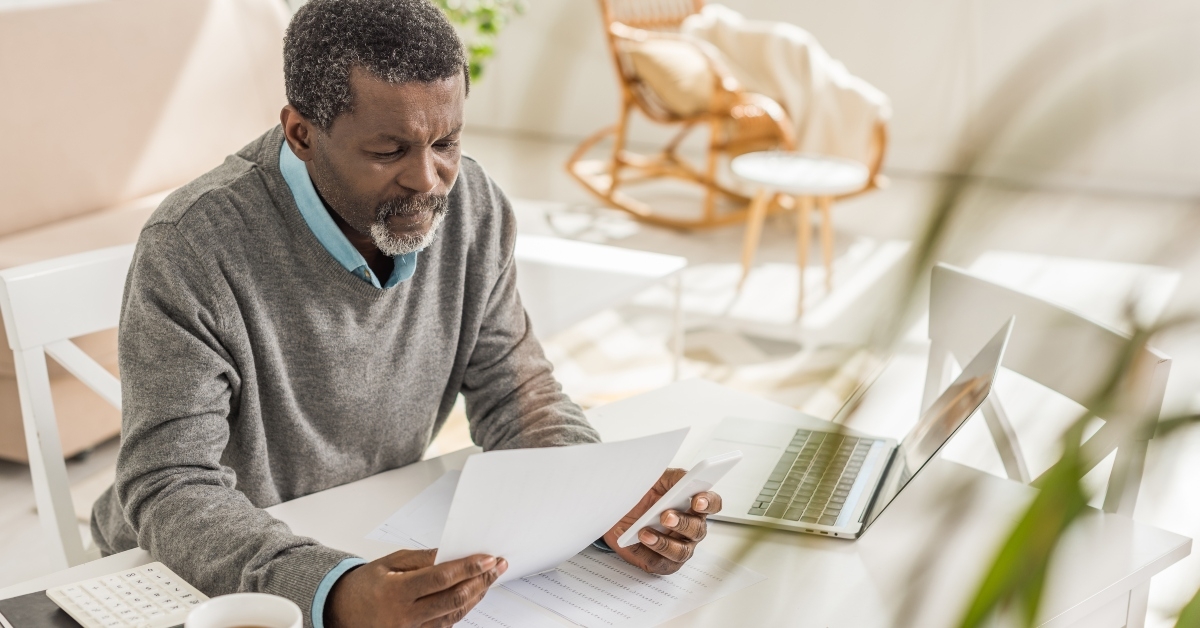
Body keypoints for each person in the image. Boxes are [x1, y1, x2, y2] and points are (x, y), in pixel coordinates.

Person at [90, 0, 722, 626]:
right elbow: (170, 483)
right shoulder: (194, 244)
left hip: (364, 533)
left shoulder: (472, 206)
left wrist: (598, 498)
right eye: (389, 150)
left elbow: (516, 389)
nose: (429, 179)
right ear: (301, 133)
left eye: (445, 141)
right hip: (192, 575)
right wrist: (332, 590)